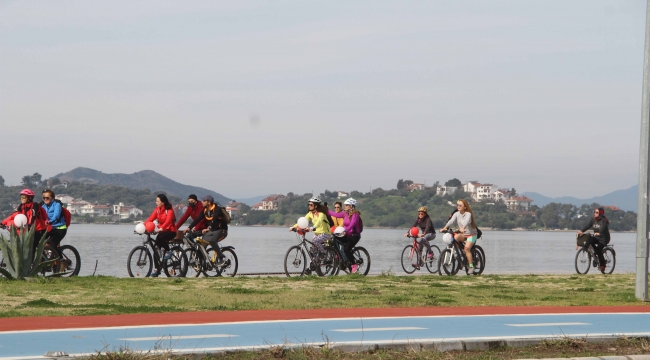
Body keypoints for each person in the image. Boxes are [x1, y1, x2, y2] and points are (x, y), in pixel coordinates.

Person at [1, 189, 49, 257]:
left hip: (39, 230)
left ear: (29, 198)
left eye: (23, 197)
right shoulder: (22, 207)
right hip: (28, 230)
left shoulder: (34, 206)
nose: (21, 199)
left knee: (32, 248)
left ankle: (33, 265)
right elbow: (14, 216)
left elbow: (33, 216)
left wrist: (29, 224)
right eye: (21, 197)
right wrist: (2, 223)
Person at [291, 197, 332, 272]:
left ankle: (324, 253)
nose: (309, 206)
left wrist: (313, 228)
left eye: (311, 205)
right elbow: (302, 221)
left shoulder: (321, 214)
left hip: (325, 233)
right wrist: (293, 227)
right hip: (317, 234)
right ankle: (312, 266)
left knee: (315, 241)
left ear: (316, 206)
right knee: (313, 251)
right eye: (308, 204)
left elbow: (319, 222)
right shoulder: (310, 214)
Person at [188, 195, 228, 264]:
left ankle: (221, 257)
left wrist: (208, 228)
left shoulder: (217, 209)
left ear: (209, 202)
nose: (202, 202)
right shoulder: (205, 209)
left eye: (204, 201)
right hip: (212, 230)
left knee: (212, 241)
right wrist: (189, 227)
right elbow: (198, 219)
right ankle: (203, 261)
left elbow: (214, 220)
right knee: (202, 244)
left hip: (221, 230)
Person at [441, 199, 478, 273]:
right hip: (463, 234)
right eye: (457, 205)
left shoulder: (468, 214)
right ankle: (459, 255)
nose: (458, 206)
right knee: (455, 238)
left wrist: (463, 228)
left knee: (467, 249)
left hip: (471, 235)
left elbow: (467, 221)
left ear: (465, 207)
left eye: (460, 205)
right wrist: (444, 228)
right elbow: (451, 221)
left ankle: (471, 266)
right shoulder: (456, 214)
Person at [145, 194, 178, 277]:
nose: (156, 202)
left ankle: (168, 251)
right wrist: (143, 225)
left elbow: (168, 221)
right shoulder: (157, 210)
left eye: (157, 201)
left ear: (163, 202)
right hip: (162, 231)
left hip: (171, 231)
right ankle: (157, 269)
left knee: (160, 237)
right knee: (156, 249)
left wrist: (162, 228)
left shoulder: (169, 210)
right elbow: (151, 218)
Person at [329, 198, 362, 273]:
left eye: (347, 205)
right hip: (347, 234)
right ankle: (338, 255)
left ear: (351, 206)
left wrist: (346, 230)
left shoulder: (355, 214)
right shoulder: (345, 214)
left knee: (346, 249)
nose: (345, 206)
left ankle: (354, 264)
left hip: (354, 235)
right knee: (334, 239)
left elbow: (352, 224)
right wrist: (326, 210)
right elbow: (336, 215)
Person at [577, 207, 610, 272]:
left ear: (600, 213)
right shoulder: (593, 220)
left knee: (598, 250)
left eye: (597, 212)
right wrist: (581, 231)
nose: (595, 213)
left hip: (604, 238)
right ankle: (594, 255)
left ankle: (602, 265)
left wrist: (599, 233)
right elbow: (588, 226)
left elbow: (603, 228)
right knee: (589, 240)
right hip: (596, 237)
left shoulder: (603, 220)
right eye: (594, 212)